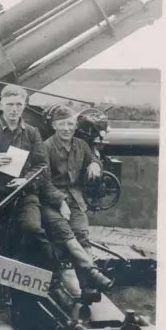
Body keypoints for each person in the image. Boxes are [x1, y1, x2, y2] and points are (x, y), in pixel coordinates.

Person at [0, 84, 58, 269]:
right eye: (10, 104)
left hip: (25, 194)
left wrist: (26, 180)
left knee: (33, 229)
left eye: (18, 104)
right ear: (1, 104)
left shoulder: (32, 133)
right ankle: (0, 290)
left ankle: (53, 275)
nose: (14, 109)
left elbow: (43, 166)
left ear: (25, 105)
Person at [40, 104, 112, 293]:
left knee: (82, 236)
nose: (67, 128)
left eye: (70, 124)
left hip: (75, 200)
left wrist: (96, 165)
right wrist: (60, 202)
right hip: (50, 202)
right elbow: (43, 182)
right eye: (62, 124)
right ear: (54, 126)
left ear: (75, 126)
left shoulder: (81, 146)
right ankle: (92, 274)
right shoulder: (45, 148)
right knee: (66, 235)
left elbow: (94, 159)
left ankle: (89, 286)